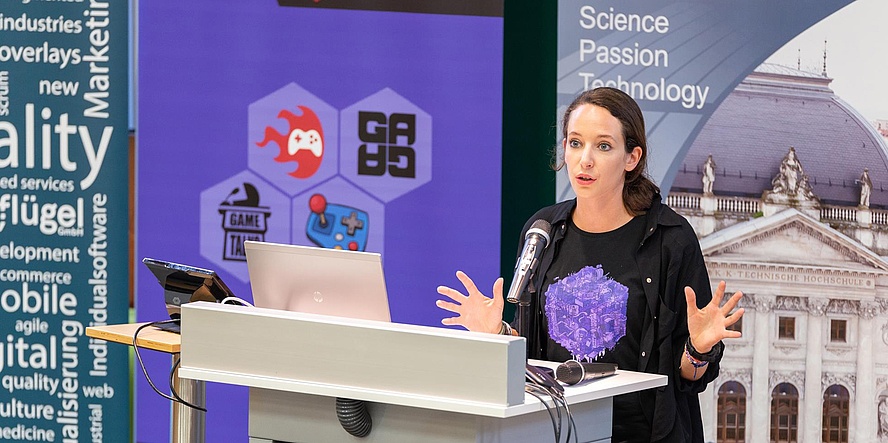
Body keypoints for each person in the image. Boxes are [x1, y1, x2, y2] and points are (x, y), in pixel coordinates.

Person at [436, 87, 744, 442]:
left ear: (632, 157)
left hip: (639, 433)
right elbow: (533, 359)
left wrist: (698, 348)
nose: (585, 160)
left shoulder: (670, 240)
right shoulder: (543, 231)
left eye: (603, 146)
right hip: (554, 428)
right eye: (576, 143)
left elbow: (691, 378)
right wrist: (500, 336)